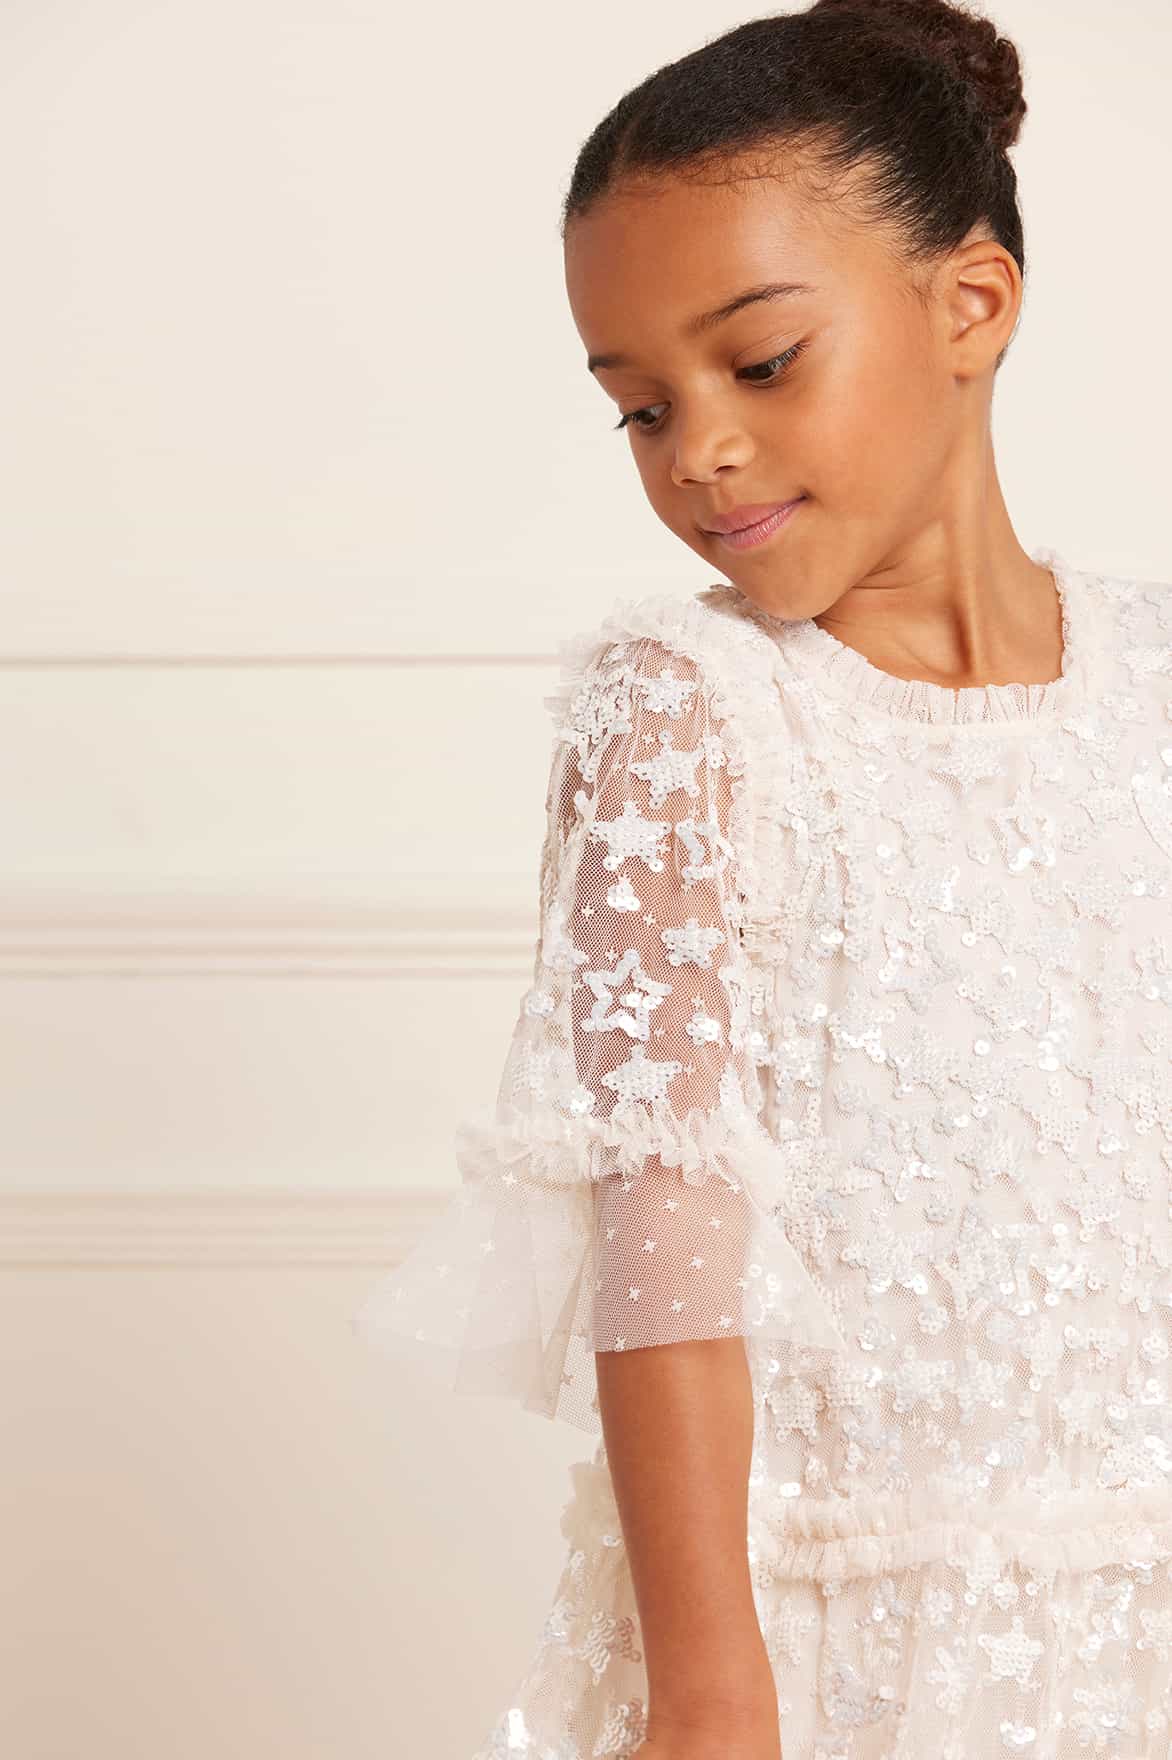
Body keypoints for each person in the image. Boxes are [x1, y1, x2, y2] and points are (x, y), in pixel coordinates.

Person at [355, 2, 1172, 1754]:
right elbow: (664, 1252)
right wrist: (713, 1694)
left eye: (763, 363)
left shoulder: (1158, 689)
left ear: (971, 306)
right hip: (829, 1638)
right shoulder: (691, 713)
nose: (697, 451)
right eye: (641, 409)